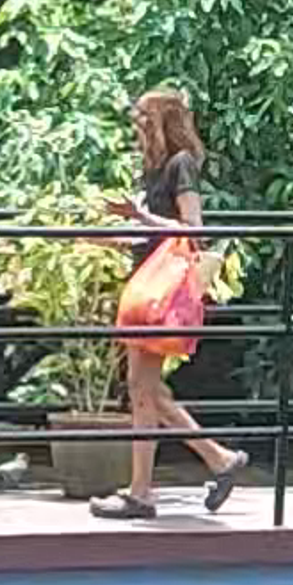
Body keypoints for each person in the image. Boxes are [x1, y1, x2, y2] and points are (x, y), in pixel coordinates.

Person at [103, 84, 241, 523]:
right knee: (144, 390)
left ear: (164, 119)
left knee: (142, 390)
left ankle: (144, 492)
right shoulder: (151, 169)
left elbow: (192, 229)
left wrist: (139, 216)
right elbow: (152, 234)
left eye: (145, 115)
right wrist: (112, 236)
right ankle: (216, 460)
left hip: (160, 290)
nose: (137, 122)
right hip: (145, 282)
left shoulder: (181, 164)